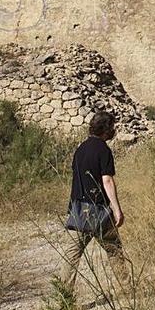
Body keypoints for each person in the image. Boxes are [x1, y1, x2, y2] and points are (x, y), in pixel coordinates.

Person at [59, 111, 128, 292]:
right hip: (99, 210)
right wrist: (116, 209)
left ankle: (63, 297)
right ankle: (127, 289)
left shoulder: (80, 149)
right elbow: (107, 180)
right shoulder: (103, 150)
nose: (113, 131)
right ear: (105, 129)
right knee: (114, 250)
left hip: (79, 210)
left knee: (71, 255)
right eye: (112, 127)